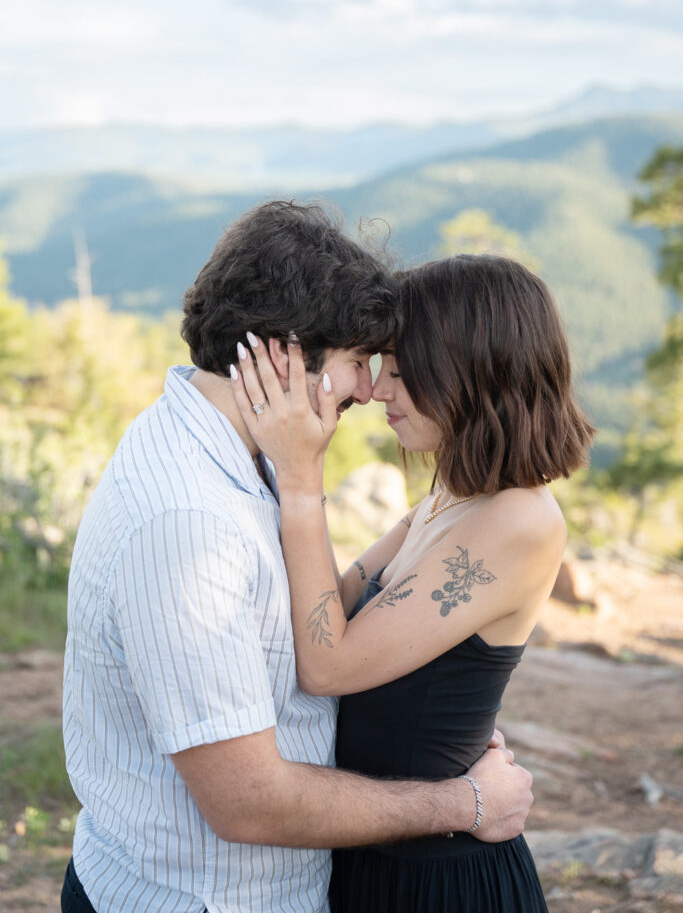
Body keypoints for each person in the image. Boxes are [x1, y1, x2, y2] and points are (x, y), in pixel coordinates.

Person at [61, 204, 535, 913]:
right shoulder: (189, 524)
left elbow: (313, 626)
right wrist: (464, 802)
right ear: (283, 357)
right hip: (205, 899)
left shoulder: (238, 453)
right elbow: (248, 802)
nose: (368, 389)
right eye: (357, 362)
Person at [231, 251, 595, 913]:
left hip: (438, 878)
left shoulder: (518, 520)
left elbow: (328, 664)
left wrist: (302, 477)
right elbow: (332, 606)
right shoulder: (450, 496)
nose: (378, 392)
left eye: (400, 372)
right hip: (377, 845)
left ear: (469, 370)